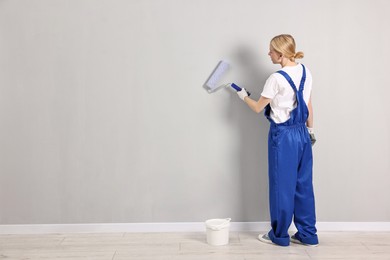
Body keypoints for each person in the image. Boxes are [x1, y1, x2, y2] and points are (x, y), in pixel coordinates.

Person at [236, 34, 319, 247]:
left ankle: (280, 235)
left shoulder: (276, 78)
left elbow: (257, 108)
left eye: (271, 51)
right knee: (303, 186)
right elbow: (307, 104)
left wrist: (243, 96)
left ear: (281, 54)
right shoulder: (305, 71)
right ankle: (308, 235)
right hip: (302, 134)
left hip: (283, 137)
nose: (268, 54)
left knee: (282, 185)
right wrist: (310, 130)